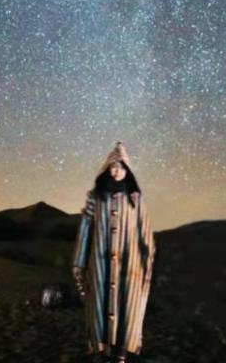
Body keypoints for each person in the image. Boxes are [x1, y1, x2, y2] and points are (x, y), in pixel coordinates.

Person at [72, 140, 155, 362]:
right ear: (107, 169)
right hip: (99, 263)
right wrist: (79, 261)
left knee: (127, 308)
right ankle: (100, 351)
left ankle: (121, 353)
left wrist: (147, 261)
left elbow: (145, 233)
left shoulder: (136, 199)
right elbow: (85, 229)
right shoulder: (95, 197)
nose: (116, 171)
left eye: (121, 167)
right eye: (113, 167)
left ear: (128, 171)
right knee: (97, 307)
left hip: (130, 265)